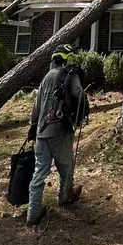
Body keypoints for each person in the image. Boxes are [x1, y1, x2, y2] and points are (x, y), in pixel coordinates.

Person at [26, 43, 83, 226]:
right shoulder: (70, 75)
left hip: (42, 132)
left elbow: (36, 107)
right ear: (67, 59)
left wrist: (33, 128)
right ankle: (64, 196)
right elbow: (77, 94)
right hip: (60, 131)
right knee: (67, 166)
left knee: (39, 173)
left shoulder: (46, 78)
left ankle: (32, 213)